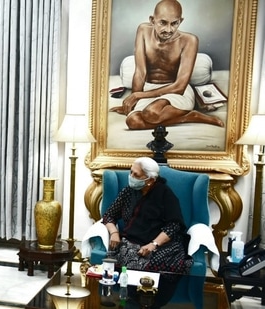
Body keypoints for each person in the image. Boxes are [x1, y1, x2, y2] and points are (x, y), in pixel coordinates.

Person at [109, 0, 224, 130]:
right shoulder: (143, 30)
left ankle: (193, 115)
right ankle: (188, 117)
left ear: (181, 21)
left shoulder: (190, 40)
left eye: (174, 23)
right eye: (163, 23)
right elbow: (140, 72)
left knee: (152, 112)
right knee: (133, 121)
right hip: (149, 89)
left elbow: (180, 87)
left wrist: (138, 95)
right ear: (152, 20)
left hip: (176, 91)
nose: (168, 30)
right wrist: (133, 100)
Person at [102, 157, 193, 308]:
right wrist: (114, 233)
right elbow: (109, 215)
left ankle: (153, 302)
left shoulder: (165, 194)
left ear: (150, 180)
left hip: (162, 242)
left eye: (136, 175)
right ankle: (132, 300)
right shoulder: (128, 191)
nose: (131, 177)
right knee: (132, 258)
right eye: (131, 172)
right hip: (132, 241)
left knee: (163, 264)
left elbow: (174, 225)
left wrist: (153, 244)